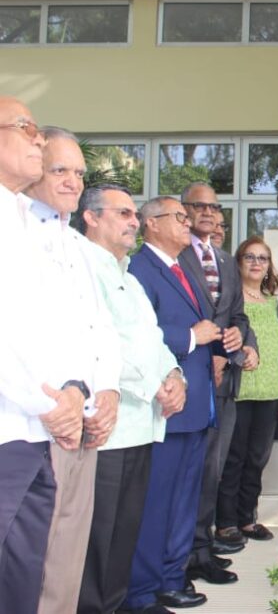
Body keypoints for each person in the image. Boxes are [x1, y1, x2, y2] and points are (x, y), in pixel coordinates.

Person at [23, 129, 123, 614]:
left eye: (79, 173)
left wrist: (108, 392)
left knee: (69, 551)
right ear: (33, 170)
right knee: (34, 557)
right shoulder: (18, 234)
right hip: (43, 418)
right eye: (60, 170)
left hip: (85, 419)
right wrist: (59, 399)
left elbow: (100, 326)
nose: (72, 181)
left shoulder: (78, 246)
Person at [76, 185, 187, 614]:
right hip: (106, 427)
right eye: (123, 213)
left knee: (125, 529)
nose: (133, 222)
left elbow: (152, 340)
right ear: (91, 217)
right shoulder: (82, 267)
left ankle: (119, 604)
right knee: (97, 534)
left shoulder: (129, 276)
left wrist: (174, 376)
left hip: (142, 424)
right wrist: (153, 383)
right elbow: (100, 343)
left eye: (134, 214)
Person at [0, 97, 89, 614]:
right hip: (16, 424)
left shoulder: (21, 219)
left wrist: (75, 392)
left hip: (35, 431)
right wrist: (51, 405)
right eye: (24, 127)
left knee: (21, 577)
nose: (37, 138)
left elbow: (52, 326)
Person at [125, 196, 222, 612]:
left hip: (196, 406)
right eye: (179, 216)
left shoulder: (184, 268)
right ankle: (143, 591)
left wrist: (223, 340)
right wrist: (191, 337)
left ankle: (171, 576)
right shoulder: (139, 269)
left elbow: (205, 324)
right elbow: (136, 331)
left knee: (184, 501)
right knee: (157, 503)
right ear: (151, 223)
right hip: (165, 407)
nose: (189, 222)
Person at [179, 182, 254, 583]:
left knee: (212, 473)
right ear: (184, 211)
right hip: (186, 383)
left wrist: (237, 342)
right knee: (185, 475)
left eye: (214, 207)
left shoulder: (225, 260)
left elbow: (237, 315)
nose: (208, 212)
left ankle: (200, 550)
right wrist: (208, 355)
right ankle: (178, 557)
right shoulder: (175, 255)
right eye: (199, 206)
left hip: (224, 385)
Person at [216, 236, 278, 542]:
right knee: (234, 459)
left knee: (257, 459)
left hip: (270, 392)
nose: (257, 263)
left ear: (269, 266)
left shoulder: (274, 303)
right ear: (238, 262)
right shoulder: (230, 301)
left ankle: (247, 519)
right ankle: (226, 522)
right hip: (239, 391)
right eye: (250, 257)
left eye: (262, 258)